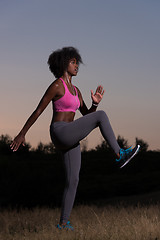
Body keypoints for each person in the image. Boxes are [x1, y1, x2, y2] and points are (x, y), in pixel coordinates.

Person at [10, 46, 140, 230]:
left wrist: (94, 104)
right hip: (60, 131)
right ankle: (120, 154)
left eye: (77, 62)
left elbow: (87, 115)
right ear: (64, 64)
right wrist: (22, 133)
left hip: (70, 135)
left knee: (73, 180)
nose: (77, 65)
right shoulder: (57, 85)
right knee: (102, 116)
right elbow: (39, 110)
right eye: (73, 62)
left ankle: (63, 223)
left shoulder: (77, 90)